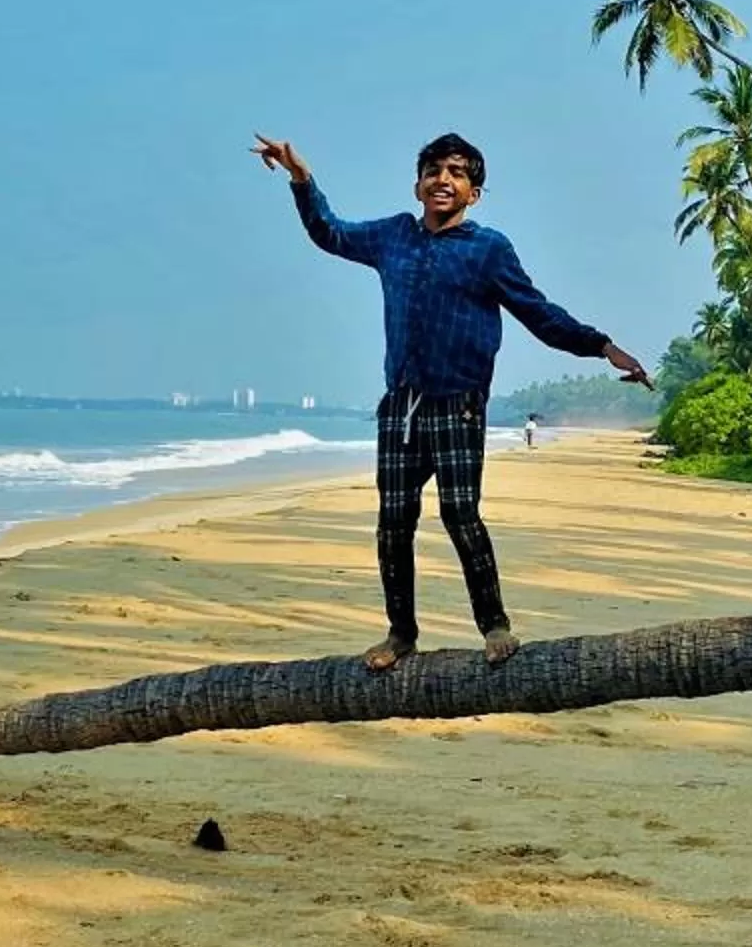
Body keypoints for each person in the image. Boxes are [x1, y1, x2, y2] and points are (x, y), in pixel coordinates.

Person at [252, 130, 648, 672]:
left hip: (458, 403)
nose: (443, 180)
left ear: (473, 194)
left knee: (460, 515)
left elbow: (538, 312)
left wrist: (601, 346)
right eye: (433, 171)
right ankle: (401, 634)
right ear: (417, 185)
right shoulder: (393, 237)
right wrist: (301, 177)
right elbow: (330, 232)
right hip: (401, 404)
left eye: (457, 173)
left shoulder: (488, 250)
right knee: (394, 521)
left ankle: (495, 625)